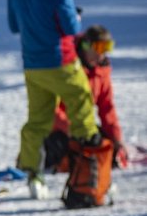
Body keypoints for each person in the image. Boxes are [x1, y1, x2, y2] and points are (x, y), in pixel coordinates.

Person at [7, 0, 99, 199]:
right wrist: (76, 18)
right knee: (82, 105)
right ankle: (86, 170)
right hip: (61, 62)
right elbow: (70, 28)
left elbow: (15, 26)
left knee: (38, 120)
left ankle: (34, 176)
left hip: (32, 66)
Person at [44, 24, 129, 171]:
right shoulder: (68, 68)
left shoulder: (101, 73)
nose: (100, 54)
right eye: (97, 48)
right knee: (64, 152)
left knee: (106, 149)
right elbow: (51, 106)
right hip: (59, 129)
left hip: (83, 126)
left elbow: (106, 107)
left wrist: (116, 138)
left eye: (106, 48)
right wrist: (68, 127)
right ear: (85, 46)